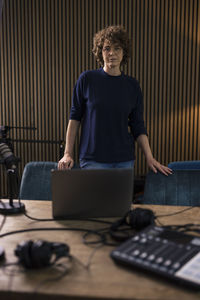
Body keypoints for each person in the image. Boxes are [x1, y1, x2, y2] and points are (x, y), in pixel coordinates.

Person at [58, 25, 172, 176]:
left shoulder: (132, 85)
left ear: (124, 52)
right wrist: (67, 153)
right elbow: (74, 118)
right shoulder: (87, 79)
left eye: (117, 48)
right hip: (93, 160)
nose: (112, 53)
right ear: (100, 52)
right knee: (95, 200)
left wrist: (149, 158)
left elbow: (138, 125)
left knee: (120, 201)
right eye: (107, 48)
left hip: (124, 160)